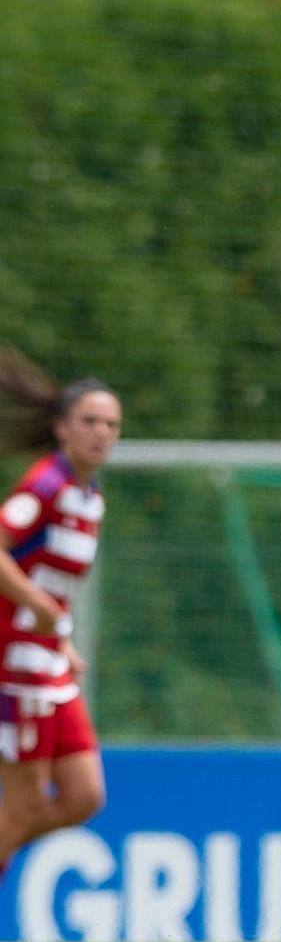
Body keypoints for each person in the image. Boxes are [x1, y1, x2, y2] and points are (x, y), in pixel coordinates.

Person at [0, 347, 121, 885]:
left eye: (111, 424)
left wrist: (63, 636)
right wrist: (38, 609)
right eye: (90, 421)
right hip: (15, 660)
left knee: (83, 795)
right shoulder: (46, 484)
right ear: (62, 429)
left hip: (47, 659)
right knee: (23, 806)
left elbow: (51, 584)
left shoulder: (89, 496)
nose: (102, 432)